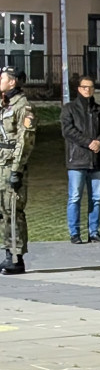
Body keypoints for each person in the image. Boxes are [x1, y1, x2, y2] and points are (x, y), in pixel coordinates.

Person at [60, 75, 100, 243]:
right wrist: (89, 142)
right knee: (75, 197)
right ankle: (75, 233)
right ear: (79, 88)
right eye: (84, 87)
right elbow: (68, 131)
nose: (87, 90)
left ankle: (94, 231)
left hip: (97, 160)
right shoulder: (69, 109)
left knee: (95, 198)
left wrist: (99, 142)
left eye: (90, 87)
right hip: (77, 160)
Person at [0, 66, 35, 274]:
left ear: (12, 81)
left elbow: (25, 140)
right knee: (3, 212)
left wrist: (17, 170)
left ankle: (17, 257)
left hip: (12, 164)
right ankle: (6, 254)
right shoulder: (5, 104)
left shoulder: (24, 106)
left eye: (2, 77)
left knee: (14, 211)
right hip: (0, 163)